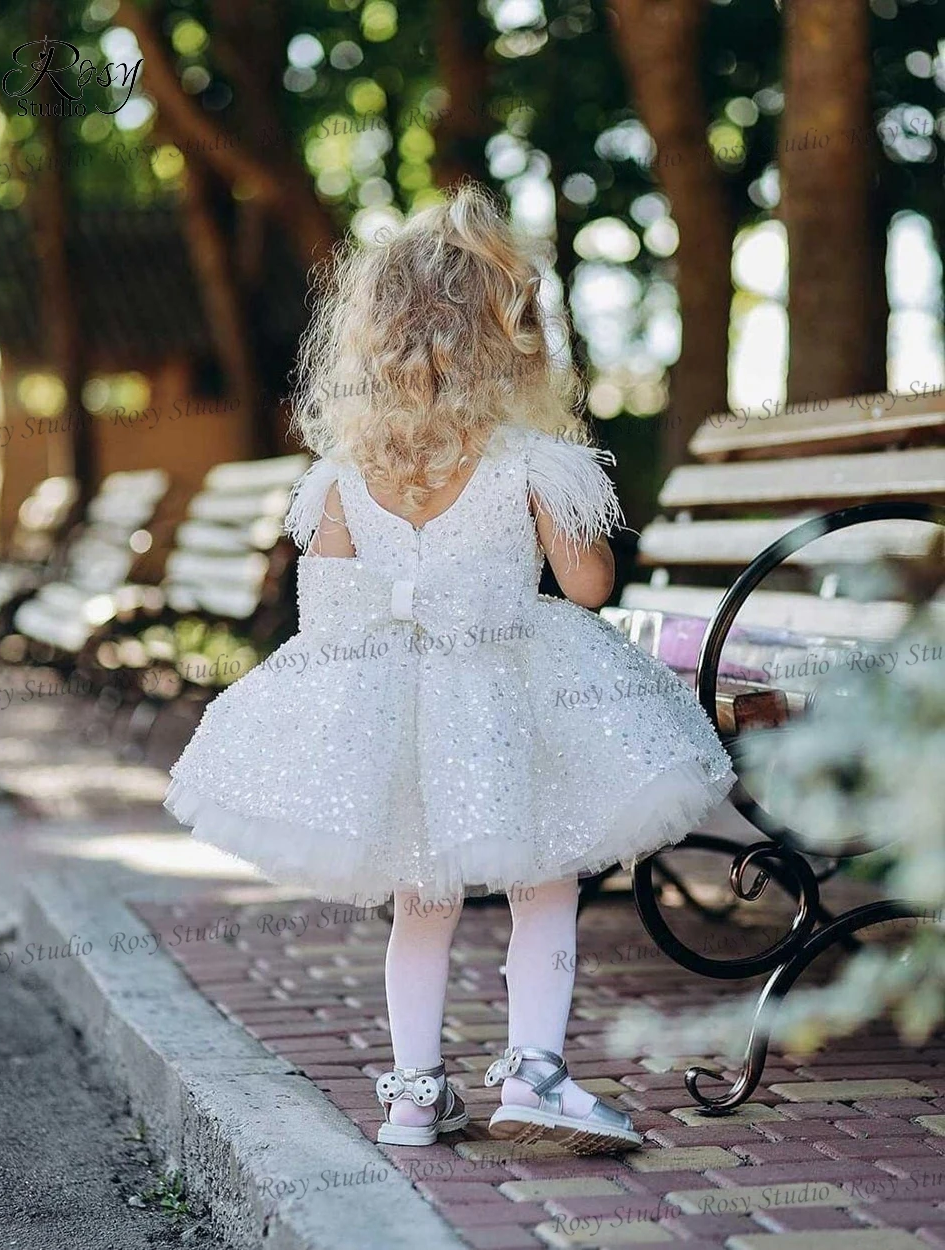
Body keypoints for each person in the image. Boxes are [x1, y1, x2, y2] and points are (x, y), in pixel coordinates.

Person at [165, 184, 735, 1155]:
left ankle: (415, 1095)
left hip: (397, 704)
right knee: (545, 877)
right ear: (497, 335)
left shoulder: (339, 472)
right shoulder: (528, 458)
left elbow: (331, 613)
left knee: (419, 899)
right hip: (514, 692)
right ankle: (537, 1075)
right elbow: (589, 585)